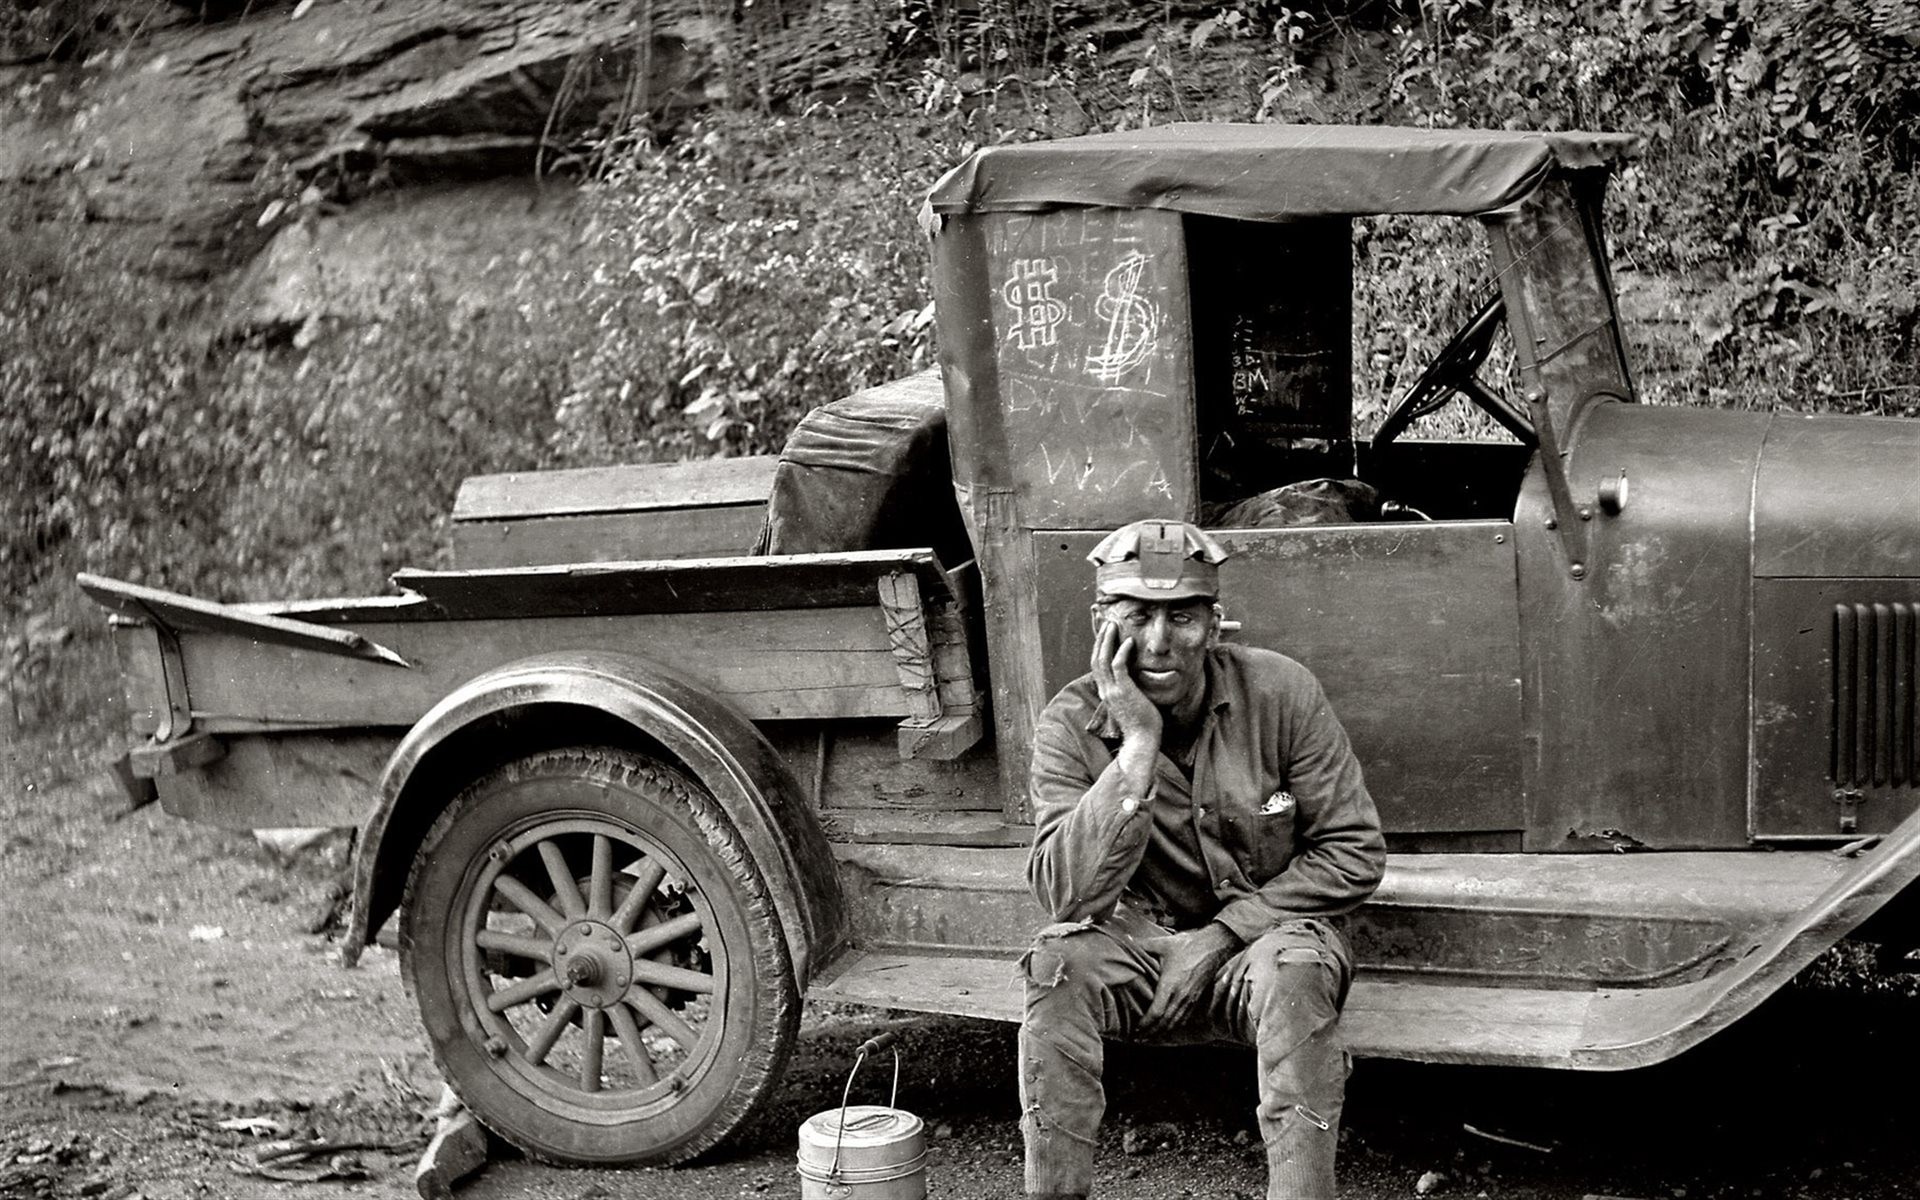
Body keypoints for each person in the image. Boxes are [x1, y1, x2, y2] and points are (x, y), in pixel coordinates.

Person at [1019, 518, 1386, 1200]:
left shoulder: (1281, 693)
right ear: (1103, 624)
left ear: (1214, 626)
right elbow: (1064, 896)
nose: (1158, 642)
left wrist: (1222, 936)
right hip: (1141, 945)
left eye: (1182, 617)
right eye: (1136, 617)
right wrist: (1135, 744)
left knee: (1298, 967)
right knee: (1055, 963)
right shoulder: (1069, 724)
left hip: (1265, 944)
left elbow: (1354, 852)